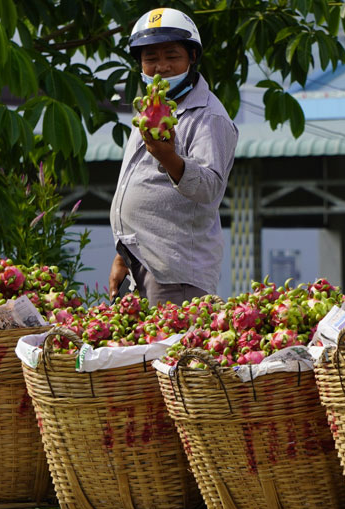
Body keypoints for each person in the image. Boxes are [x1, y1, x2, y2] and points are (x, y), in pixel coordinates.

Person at [108, 7, 238, 305]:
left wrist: (168, 157)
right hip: (141, 265)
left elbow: (209, 188)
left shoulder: (208, 116)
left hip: (175, 275)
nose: (161, 67)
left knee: (170, 351)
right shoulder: (153, 107)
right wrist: (123, 256)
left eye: (172, 56)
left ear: (192, 57)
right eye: (151, 58)